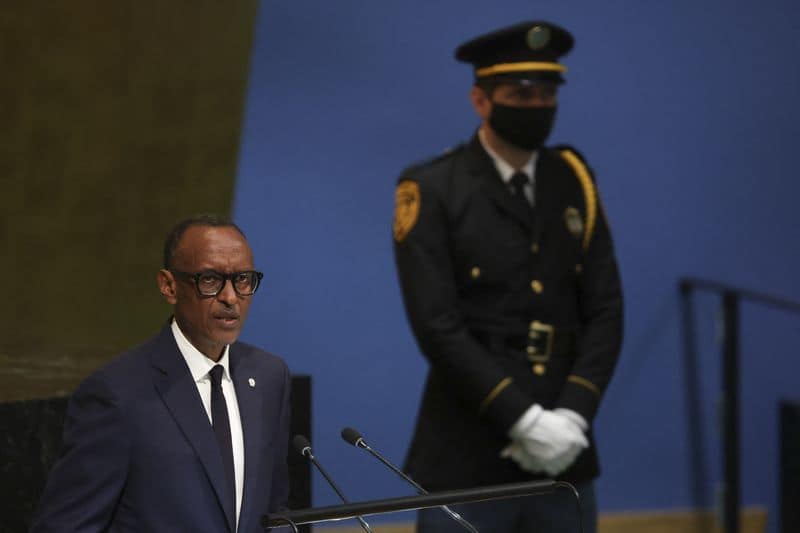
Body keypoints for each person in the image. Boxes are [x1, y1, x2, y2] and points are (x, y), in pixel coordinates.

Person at [392, 20, 623, 533]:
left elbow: (606, 309)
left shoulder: (574, 179)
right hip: (468, 452)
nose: (537, 105)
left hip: (565, 452)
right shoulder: (433, 187)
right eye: (520, 93)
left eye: (547, 93)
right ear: (481, 99)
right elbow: (437, 325)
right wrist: (524, 419)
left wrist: (573, 415)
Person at [31, 215, 292, 533]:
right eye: (210, 280)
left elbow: (275, 512)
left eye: (243, 279)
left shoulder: (269, 377)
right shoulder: (117, 394)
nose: (230, 297)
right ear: (169, 286)